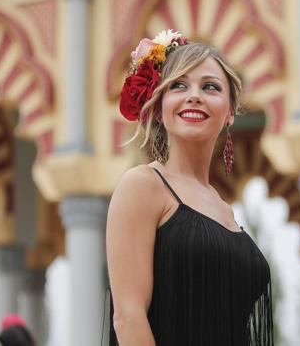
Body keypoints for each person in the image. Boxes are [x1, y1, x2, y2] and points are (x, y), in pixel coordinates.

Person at [106, 30, 273, 346]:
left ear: (230, 112)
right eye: (178, 85)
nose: (194, 95)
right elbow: (128, 318)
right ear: (159, 104)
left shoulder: (223, 207)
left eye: (210, 86)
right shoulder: (144, 185)